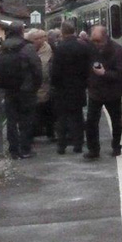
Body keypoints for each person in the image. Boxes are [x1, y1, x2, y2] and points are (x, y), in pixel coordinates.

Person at [0, 22, 42, 159]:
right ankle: (25, 149)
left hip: (8, 89)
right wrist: (36, 86)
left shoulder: (2, 47)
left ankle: (13, 150)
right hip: (26, 89)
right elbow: (37, 69)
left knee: (11, 120)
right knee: (26, 120)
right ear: (21, 31)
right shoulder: (27, 47)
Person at [85, 25, 122, 157]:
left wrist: (104, 73)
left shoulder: (116, 49)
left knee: (116, 121)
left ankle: (116, 146)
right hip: (95, 91)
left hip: (112, 92)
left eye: (98, 41)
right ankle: (93, 149)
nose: (96, 44)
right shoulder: (90, 48)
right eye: (94, 41)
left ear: (105, 38)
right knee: (91, 121)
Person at [50, 21, 92, 155]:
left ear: (62, 32)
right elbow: (88, 67)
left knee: (61, 118)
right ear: (74, 31)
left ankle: (61, 146)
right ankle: (78, 145)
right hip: (78, 87)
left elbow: (55, 71)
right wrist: (85, 83)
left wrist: (55, 85)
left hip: (62, 88)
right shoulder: (83, 46)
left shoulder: (59, 48)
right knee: (77, 117)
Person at [26, 29, 54, 140]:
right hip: (32, 86)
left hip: (45, 85)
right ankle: (33, 132)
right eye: (37, 38)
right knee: (34, 110)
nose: (40, 40)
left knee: (46, 109)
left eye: (42, 37)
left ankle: (49, 132)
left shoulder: (48, 49)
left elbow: (45, 68)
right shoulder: (28, 49)